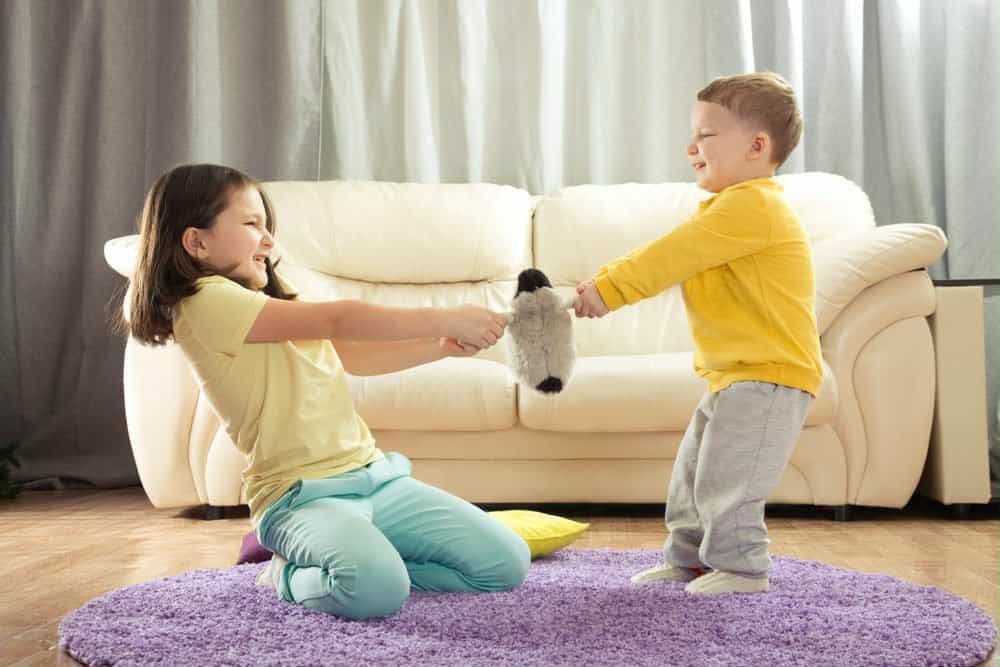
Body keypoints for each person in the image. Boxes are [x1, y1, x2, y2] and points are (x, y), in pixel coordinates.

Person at [126, 163, 529, 619]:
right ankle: (286, 573)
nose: (268, 240)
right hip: (300, 497)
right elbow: (338, 319)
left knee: (505, 563)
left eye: (267, 225)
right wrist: (445, 317)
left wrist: (441, 346)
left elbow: (350, 356)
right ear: (196, 242)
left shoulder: (269, 302)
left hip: (373, 478)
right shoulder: (203, 301)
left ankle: (371, 565)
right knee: (376, 592)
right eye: (252, 224)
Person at [574, 72, 821, 595]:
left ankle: (742, 568)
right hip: (733, 376)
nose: (691, 148)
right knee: (692, 475)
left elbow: (672, 254)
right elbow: (682, 252)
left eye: (705, 135)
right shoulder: (730, 209)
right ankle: (687, 560)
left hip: (769, 376)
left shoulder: (754, 205)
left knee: (729, 480)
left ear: (757, 147)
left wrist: (607, 289)